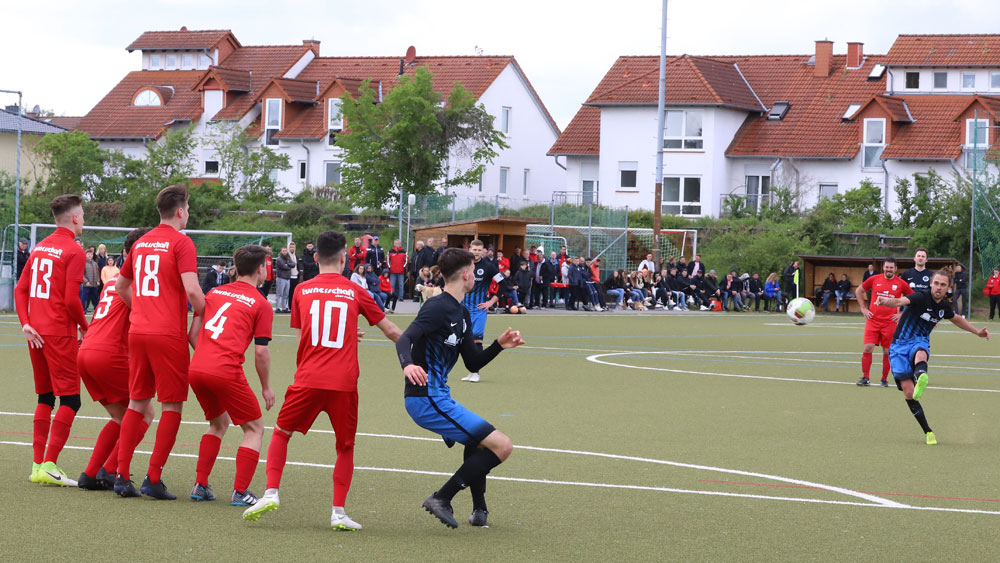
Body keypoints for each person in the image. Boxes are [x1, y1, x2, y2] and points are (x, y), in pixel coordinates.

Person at [242, 231, 405, 530]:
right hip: (343, 383)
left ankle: (271, 492)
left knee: (281, 433)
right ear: (344, 258)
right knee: (344, 446)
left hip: (308, 379)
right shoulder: (355, 291)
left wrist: (339, 337)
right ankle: (338, 512)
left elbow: (304, 338)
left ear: (315, 258)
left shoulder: (301, 290)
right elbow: (392, 331)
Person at [395, 247, 525, 528]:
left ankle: (479, 510)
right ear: (466, 273)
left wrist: (498, 346)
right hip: (425, 397)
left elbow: (472, 362)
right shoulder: (437, 306)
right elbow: (405, 339)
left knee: (480, 443)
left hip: (439, 396)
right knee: (502, 446)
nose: (475, 274)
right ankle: (442, 497)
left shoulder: (462, 313)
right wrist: (407, 365)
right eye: (472, 269)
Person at [114, 184, 206, 499]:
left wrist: (139, 308)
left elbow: (120, 285)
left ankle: (122, 476)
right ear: (181, 211)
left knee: (137, 402)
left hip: (138, 332)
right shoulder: (181, 243)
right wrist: (210, 314)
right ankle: (153, 478)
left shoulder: (140, 244)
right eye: (189, 208)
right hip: (167, 334)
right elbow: (193, 292)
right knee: (172, 404)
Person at [187, 245, 275, 507]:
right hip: (225, 370)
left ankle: (200, 484)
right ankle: (240, 491)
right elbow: (261, 353)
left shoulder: (213, 292)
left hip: (198, 368)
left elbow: (192, 335)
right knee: (255, 428)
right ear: (260, 270)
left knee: (218, 424)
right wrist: (266, 387)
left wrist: (207, 357)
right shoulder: (261, 303)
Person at [14, 194, 89, 487]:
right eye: (82, 214)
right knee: (71, 399)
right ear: (73, 218)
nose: (83, 218)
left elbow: (21, 291)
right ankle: (49, 463)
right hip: (59, 332)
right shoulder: (74, 251)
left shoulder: (40, 248)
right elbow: (71, 300)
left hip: (36, 332)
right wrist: (85, 326)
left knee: (45, 396)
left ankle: (37, 466)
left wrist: (26, 323)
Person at [77, 227, 155, 491]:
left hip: (86, 352)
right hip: (109, 354)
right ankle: (110, 471)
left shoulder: (113, 281)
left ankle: (90, 474)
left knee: (121, 418)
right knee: (144, 414)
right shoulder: (137, 283)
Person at [875, 269, 989, 445]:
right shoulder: (920, 297)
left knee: (921, 351)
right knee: (909, 392)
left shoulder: (943, 307)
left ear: (948, 288)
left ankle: (922, 376)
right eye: (936, 283)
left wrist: (977, 332)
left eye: (943, 285)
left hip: (918, 341)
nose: (938, 287)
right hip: (898, 346)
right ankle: (928, 431)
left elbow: (957, 319)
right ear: (931, 284)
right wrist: (887, 302)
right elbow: (900, 300)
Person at [855, 258, 912, 387]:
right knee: (868, 347)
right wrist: (863, 308)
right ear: (883, 268)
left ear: (895, 269)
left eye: (891, 267)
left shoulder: (901, 283)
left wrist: (901, 314)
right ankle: (866, 377)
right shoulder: (874, 279)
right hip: (873, 320)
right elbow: (859, 291)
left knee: (887, 351)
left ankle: (884, 379)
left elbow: (912, 299)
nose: (888, 270)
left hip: (890, 323)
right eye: (887, 267)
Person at [458, 240, 507, 382]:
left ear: (483, 251)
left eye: (479, 250)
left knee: (477, 340)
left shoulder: (489, 267)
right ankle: (471, 370)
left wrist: (491, 302)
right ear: (470, 249)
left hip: (479, 310)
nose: (476, 252)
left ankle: (476, 372)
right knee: (462, 341)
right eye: (474, 249)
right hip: (462, 310)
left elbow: (503, 285)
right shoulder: (463, 265)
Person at [388, 239, 407, 310]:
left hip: (401, 271)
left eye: (398, 243)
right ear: (394, 244)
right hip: (392, 271)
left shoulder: (404, 251)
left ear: (400, 244)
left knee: (401, 285)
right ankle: (392, 297)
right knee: (392, 284)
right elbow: (387, 260)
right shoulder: (390, 251)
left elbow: (406, 260)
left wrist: (403, 267)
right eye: (396, 243)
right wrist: (390, 267)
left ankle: (401, 297)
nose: (397, 245)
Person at [274, 248, 294, 313]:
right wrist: (289, 266)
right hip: (281, 277)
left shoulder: (288, 258)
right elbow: (283, 267)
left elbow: (293, 265)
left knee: (285, 294)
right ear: (281, 251)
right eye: (283, 251)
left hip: (287, 278)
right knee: (279, 294)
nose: (284, 252)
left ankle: (284, 308)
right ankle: (277, 308)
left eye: (285, 251)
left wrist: (288, 265)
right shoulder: (279, 259)